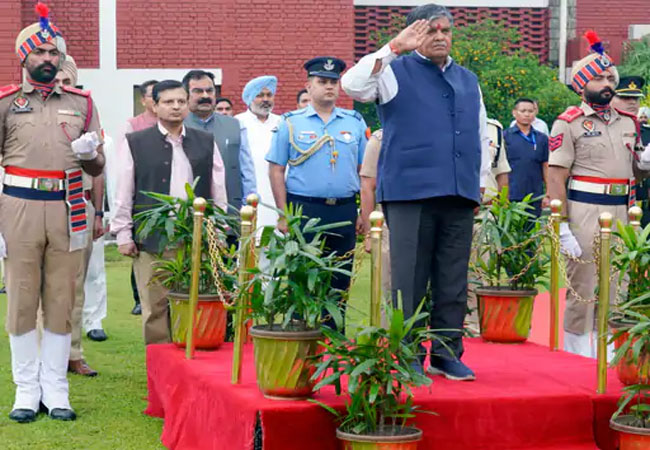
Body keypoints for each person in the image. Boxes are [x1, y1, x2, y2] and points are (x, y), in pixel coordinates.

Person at [342, 3, 493, 381]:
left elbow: (479, 133)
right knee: (408, 278)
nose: (439, 37)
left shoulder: (467, 79)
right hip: (409, 191)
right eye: (430, 31)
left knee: (453, 277)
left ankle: (446, 352)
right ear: (414, 34)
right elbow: (353, 85)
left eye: (445, 30)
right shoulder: (393, 71)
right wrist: (394, 47)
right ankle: (405, 352)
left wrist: (480, 183)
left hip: (458, 191)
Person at [1, 4, 105, 422]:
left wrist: (91, 155)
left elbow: (97, 167)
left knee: (62, 298)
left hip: (68, 207)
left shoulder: (82, 103)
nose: (48, 59)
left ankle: (56, 390)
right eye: (40, 52)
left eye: (54, 53)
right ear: (23, 56)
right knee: (22, 299)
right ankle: (26, 390)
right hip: (20, 206)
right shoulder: (7, 102)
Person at [547, 34, 650, 357]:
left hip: (622, 210)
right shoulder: (569, 123)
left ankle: (608, 352)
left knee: (617, 284)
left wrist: (644, 164)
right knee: (584, 285)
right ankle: (577, 352)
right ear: (581, 85)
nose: (607, 83)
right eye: (598, 77)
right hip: (584, 211)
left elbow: (636, 170)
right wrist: (561, 225)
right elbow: (556, 176)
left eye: (610, 77)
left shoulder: (628, 123)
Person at [112, 80, 227, 345]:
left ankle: (190, 367)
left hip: (195, 236)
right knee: (155, 307)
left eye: (180, 101)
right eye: (168, 102)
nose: (175, 107)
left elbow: (218, 188)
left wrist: (218, 231)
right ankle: (159, 369)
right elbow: (124, 189)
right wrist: (123, 233)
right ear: (155, 105)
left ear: (187, 104)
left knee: (195, 303)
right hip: (153, 238)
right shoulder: (136, 142)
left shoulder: (205, 141)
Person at [266, 57, 368, 328]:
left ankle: (334, 336)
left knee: (340, 277)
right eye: (322, 82)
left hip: (344, 208)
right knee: (303, 275)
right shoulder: (291, 123)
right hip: (304, 209)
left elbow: (365, 171)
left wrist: (363, 213)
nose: (329, 87)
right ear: (308, 86)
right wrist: (284, 213)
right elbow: (276, 169)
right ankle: (301, 333)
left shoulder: (354, 122)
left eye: (333, 82)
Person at [54, 57, 107, 378]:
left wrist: (99, 213)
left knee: (75, 285)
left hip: (79, 205)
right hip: (38, 204)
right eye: (55, 80)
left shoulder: (85, 112)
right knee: (40, 286)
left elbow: (99, 168)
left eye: (65, 80)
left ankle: (73, 353)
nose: (60, 87)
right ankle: (45, 354)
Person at [183, 70, 256, 214]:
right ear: (186, 95)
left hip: (230, 212)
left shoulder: (235, 126)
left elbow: (247, 171)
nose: (205, 96)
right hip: (187, 213)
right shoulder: (178, 126)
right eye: (198, 91)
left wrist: (249, 206)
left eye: (209, 91)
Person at [121, 79, 158, 316]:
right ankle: (139, 298)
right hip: (143, 198)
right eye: (153, 96)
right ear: (143, 100)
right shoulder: (133, 125)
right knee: (142, 254)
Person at [235, 76, 281, 236]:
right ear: (249, 99)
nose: (265, 100)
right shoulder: (237, 122)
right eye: (260, 95)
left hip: (277, 193)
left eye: (269, 95)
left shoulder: (282, 123)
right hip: (248, 192)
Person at [611, 76, 650, 227]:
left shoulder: (641, 130)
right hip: (610, 201)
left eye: (636, 98)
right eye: (625, 97)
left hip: (640, 200)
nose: (633, 102)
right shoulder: (602, 129)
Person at [359, 130, 391, 303]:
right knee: (387, 288)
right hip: (389, 220)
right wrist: (370, 234)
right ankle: (386, 330)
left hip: (431, 218)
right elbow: (367, 186)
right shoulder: (380, 139)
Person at [504, 97, 550, 217]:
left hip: (535, 195)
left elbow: (545, 166)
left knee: (533, 232)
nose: (527, 114)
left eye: (530, 111)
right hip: (512, 194)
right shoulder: (505, 137)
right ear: (514, 113)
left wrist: (548, 192)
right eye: (523, 111)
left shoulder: (541, 138)